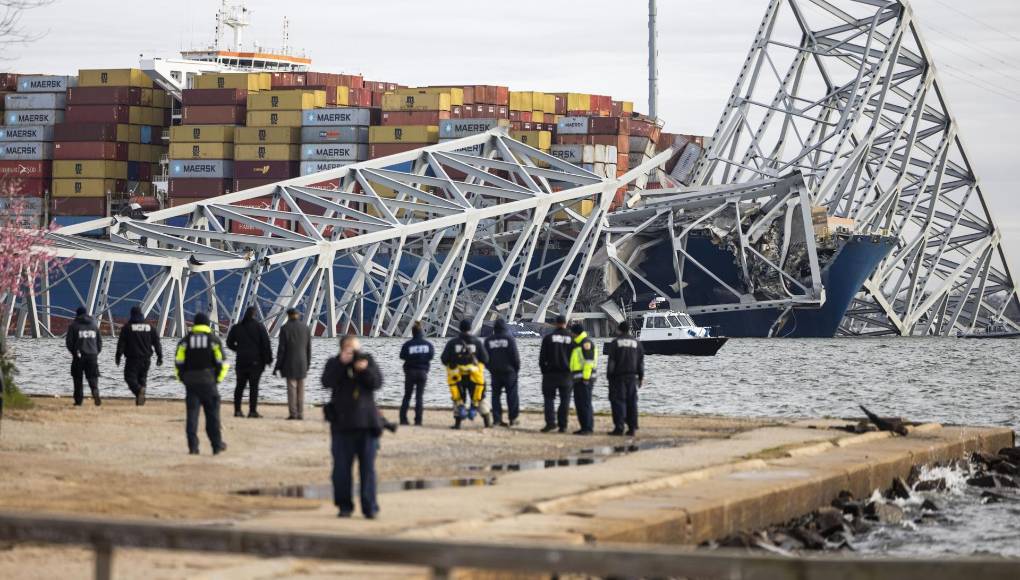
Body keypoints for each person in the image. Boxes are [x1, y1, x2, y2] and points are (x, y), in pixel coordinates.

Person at [322, 334, 383, 519]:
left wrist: (363, 370)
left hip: (366, 425)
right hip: (341, 425)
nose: (354, 353)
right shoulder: (334, 363)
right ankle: (344, 506)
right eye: (350, 349)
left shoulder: (367, 361)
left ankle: (369, 507)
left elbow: (377, 383)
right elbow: (326, 382)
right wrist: (342, 363)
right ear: (342, 349)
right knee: (341, 469)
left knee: (368, 470)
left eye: (356, 349)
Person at [174, 312, 228, 455]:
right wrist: (217, 379)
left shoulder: (185, 341)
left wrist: (182, 378)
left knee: (192, 416)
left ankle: (193, 447)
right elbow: (222, 362)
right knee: (212, 416)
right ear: (207, 324)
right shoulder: (213, 340)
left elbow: (179, 362)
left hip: (191, 382)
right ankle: (216, 446)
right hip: (208, 382)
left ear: (194, 324)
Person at [440, 319, 491, 429]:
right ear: (470, 328)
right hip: (474, 376)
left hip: (457, 377)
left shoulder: (452, 343)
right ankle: (487, 422)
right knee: (480, 397)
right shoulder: (477, 342)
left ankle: (457, 424)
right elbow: (486, 359)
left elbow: (444, 359)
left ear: (459, 328)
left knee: (458, 398)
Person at [226, 306, 273, 418]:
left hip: (241, 361)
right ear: (254, 315)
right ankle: (252, 411)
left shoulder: (237, 327)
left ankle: (237, 411)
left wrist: (238, 350)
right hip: (256, 362)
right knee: (254, 387)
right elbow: (266, 344)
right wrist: (268, 359)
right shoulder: (259, 327)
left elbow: (229, 343)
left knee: (239, 386)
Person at [115, 305, 163, 406]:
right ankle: (140, 399)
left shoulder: (127, 328)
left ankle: (138, 391)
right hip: (146, 359)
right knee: (142, 378)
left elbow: (121, 344)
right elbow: (157, 343)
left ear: (131, 314)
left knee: (129, 377)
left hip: (132, 358)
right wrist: (160, 356)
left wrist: (118, 356)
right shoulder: (150, 327)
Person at [605, 320, 645, 436]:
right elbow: (640, 362)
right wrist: (641, 377)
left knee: (618, 401)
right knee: (632, 402)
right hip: (632, 377)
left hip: (618, 377)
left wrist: (609, 376)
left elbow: (611, 361)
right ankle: (632, 428)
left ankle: (619, 427)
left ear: (619, 330)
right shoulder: (637, 343)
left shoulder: (615, 343)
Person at [538, 314, 574, 433]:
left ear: (555, 323)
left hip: (550, 374)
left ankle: (550, 423)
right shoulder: (572, 338)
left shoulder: (548, 338)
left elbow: (542, 358)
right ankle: (563, 425)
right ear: (566, 323)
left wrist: (545, 371)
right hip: (567, 374)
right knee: (565, 400)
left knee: (549, 399)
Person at [275, 308, 311, 420]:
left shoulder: (285, 328)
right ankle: (300, 413)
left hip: (289, 363)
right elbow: (308, 348)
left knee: (291, 389)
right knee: (301, 389)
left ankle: (293, 414)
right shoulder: (305, 328)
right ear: (298, 315)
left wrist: (278, 365)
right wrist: (308, 363)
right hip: (302, 363)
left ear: (288, 315)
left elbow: (281, 349)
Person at [484, 318, 521, 427]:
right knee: (512, 395)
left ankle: (497, 419)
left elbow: (484, 358)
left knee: (495, 396)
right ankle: (513, 419)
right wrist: (516, 370)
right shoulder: (509, 339)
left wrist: (490, 368)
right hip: (509, 372)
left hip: (495, 373)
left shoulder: (488, 340)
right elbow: (515, 356)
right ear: (505, 327)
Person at [65, 306, 102, 406]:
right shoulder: (94, 325)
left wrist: (74, 353)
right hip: (92, 356)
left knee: (77, 379)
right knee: (93, 377)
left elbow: (69, 342)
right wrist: (95, 353)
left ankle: (78, 401)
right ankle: (95, 392)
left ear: (77, 314)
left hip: (79, 356)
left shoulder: (73, 326)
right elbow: (99, 342)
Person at [398, 321, 433, 426]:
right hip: (422, 373)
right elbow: (431, 356)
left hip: (410, 372)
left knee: (407, 396)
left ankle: (403, 419)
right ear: (421, 332)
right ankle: (418, 420)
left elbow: (402, 356)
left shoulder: (407, 344)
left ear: (412, 332)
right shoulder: (428, 345)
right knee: (419, 397)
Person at [569, 322, 598, 436]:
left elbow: (588, 362)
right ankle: (584, 427)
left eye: (572, 333)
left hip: (584, 379)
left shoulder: (585, 343)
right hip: (578, 379)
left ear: (575, 333)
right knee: (580, 404)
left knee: (585, 403)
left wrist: (586, 378)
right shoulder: (578, 343)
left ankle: (588, 428)